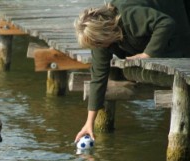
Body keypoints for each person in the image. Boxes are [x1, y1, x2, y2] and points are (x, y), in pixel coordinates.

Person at [74, 0, 190, 143]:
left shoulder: (130, 16)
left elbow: (165, 23)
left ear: (105, 33)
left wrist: (147, 54)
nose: (97, 47)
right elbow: (98, 78)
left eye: (97, 43)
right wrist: (89, 123)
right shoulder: (100, 42)